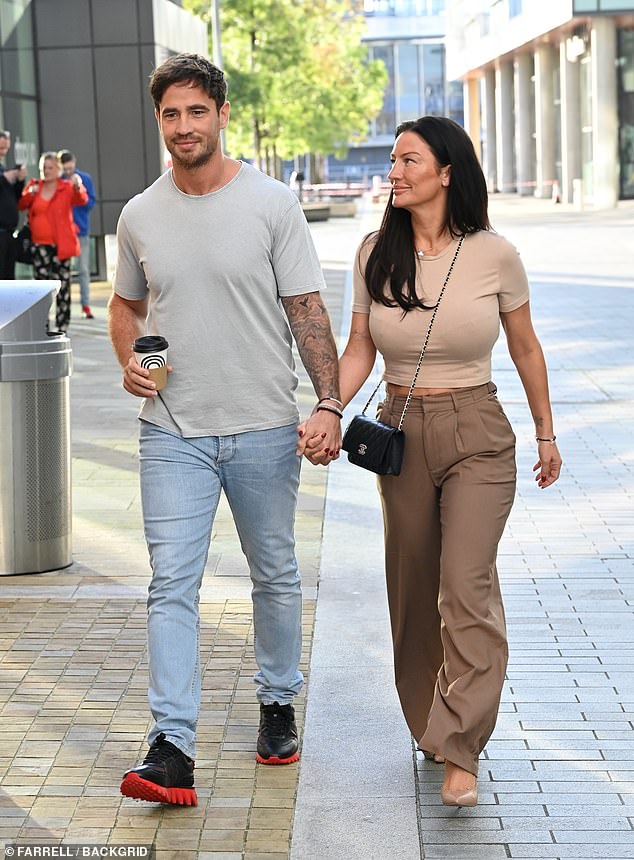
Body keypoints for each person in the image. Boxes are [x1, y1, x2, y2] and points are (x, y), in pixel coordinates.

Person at [299, 116, 562, 807]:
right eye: (392, 160)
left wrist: (546, 433)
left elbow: (526, 347)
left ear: (446, 172)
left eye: (408, 160)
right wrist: (330, 405)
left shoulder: (494, 254)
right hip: (401, 428)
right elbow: (358, 345)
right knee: (413, 588)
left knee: (463, 582)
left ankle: (461, 743)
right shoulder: (371, 253)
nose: (395, 171)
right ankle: (429, 721)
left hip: (478, 428)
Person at [107, 53, 342, 807]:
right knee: (170, 584)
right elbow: (126, 308)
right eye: (170, 114)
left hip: (266, 425)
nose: (183, 127)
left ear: (221, 114)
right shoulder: (139, 214)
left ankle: (278, 700)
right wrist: (131, 363)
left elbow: (307, 311)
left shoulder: (272, 204)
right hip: (171, 430)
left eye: (195, 112)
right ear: (159, 121)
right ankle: (172, 744)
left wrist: (328, 403)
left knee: (273, 572)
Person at [18, 151, 87, 331]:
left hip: (60, 246)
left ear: (57, 169)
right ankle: (43, 326)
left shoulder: (65, 186)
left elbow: (81, 200)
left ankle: (62, 327)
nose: (46, 171)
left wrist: (78, 186)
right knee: (41, 289)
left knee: (63, 287)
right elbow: (21, 205)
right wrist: (30, 194)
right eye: (43, 168)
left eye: (49, 168)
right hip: (39, 246)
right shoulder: (35, 186)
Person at [58, 149, 96, 319]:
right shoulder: (57, 181)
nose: (68, 172)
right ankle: (63, 308)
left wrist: (77, 187)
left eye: (70, 168)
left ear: (74, 163)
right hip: (62, 232)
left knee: (83, 269)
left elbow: (90, 204)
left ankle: (85, 305)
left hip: (81, 230)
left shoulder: (84, 179)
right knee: (61, 271)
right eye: (65, 169)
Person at [0, 130, 27, 279]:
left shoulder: (3, 168)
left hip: (9, 232)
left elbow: (14, 198)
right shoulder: (3, 174)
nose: (3, 152)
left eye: (5, 148)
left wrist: (20, 180)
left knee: (9, 277)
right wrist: (4, 179)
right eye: (0, 148)